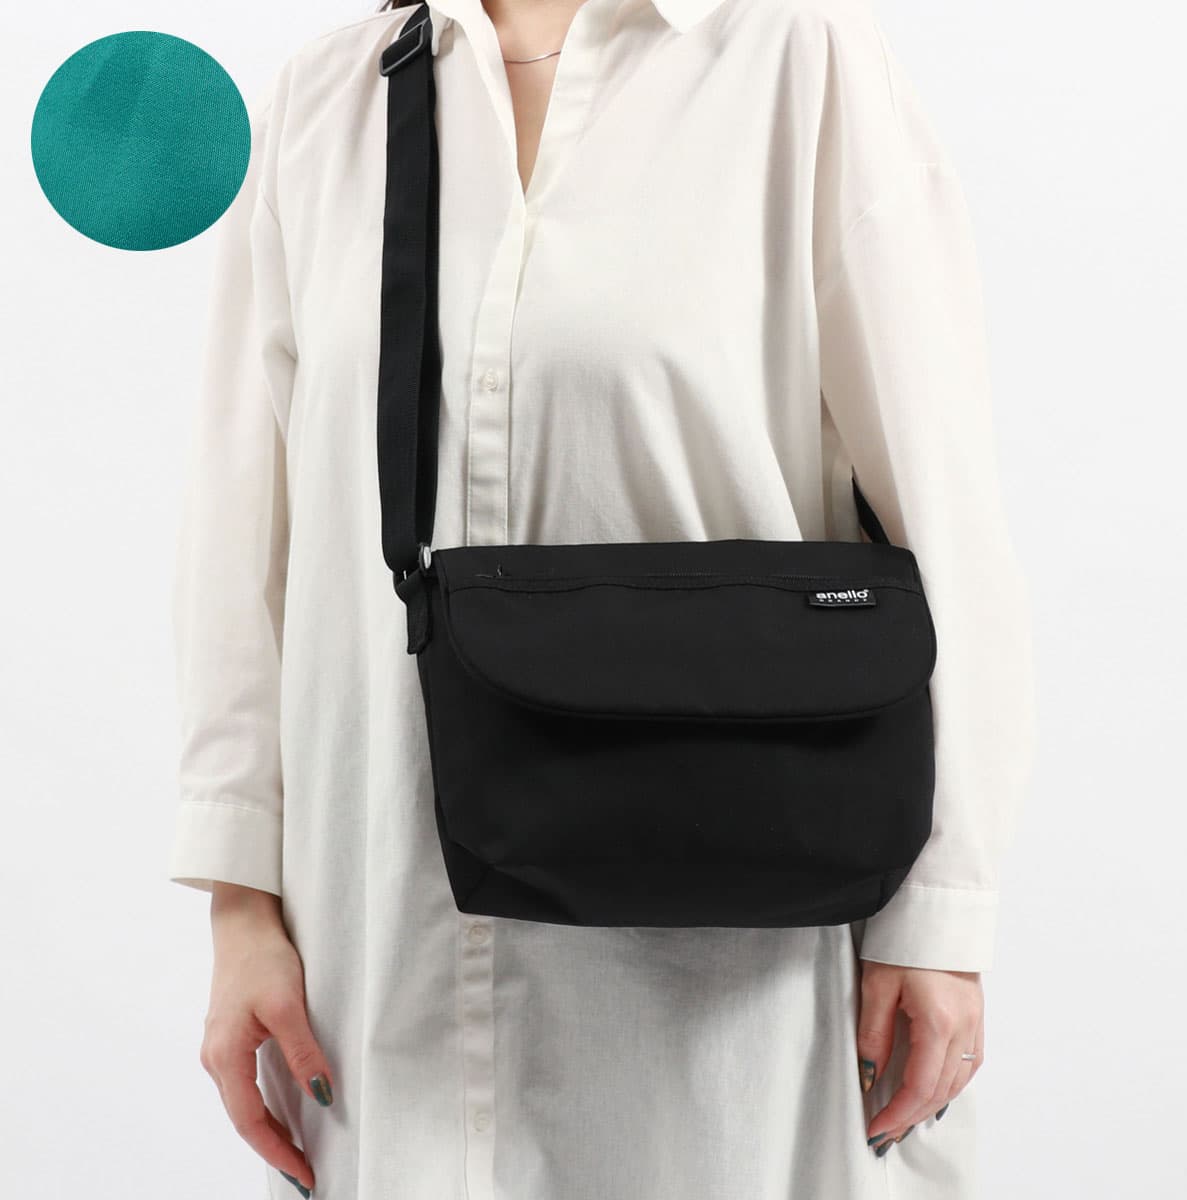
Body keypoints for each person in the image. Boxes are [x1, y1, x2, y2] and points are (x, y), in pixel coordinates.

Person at [167, 0, 1037, 1197]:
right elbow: (243, 535)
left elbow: (947, 518)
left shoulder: (799, 66)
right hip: (381, 939)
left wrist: (939, 912)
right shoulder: (327, 102)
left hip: (731, 964)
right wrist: (240, 909)